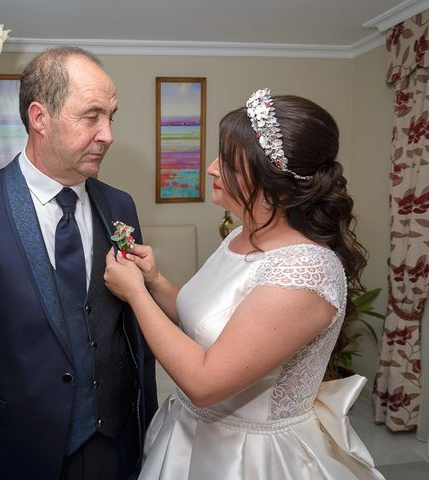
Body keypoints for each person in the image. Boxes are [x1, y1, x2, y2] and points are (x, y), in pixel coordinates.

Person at [104, 89, 386, 479]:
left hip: (250, 456)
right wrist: (154, 280)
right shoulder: (240, 235)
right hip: (191, 434)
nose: (211, 168)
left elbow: (205, 382)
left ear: (278, 189)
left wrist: (135, 293)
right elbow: (207, 322)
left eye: (230, 165)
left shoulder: (306, 271)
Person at [0, 46, 157, 480]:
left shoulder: (120, 205)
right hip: (19, 453)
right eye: (91, 116)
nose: (107, 134)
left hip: (115, 444)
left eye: (111, 117)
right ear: (39, 117)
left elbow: (131, 337)